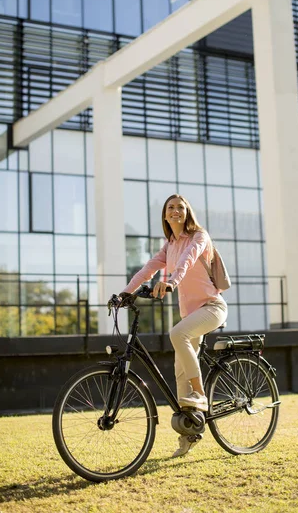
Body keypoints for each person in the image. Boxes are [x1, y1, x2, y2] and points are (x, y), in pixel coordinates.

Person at [119, 194, 228, 457]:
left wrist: (171, 282)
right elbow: (146, 270)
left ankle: (201, 394)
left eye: (181, 207)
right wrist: (124, 293)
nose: (175, 210)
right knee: (181, 377)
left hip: (212, 308)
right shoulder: (169, 245)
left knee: (176, 334)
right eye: (171, 208)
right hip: (191, 316)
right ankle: (190, 433)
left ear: (187, 212)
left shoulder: (199, 236)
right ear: (166, 216)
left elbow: (187, 261)